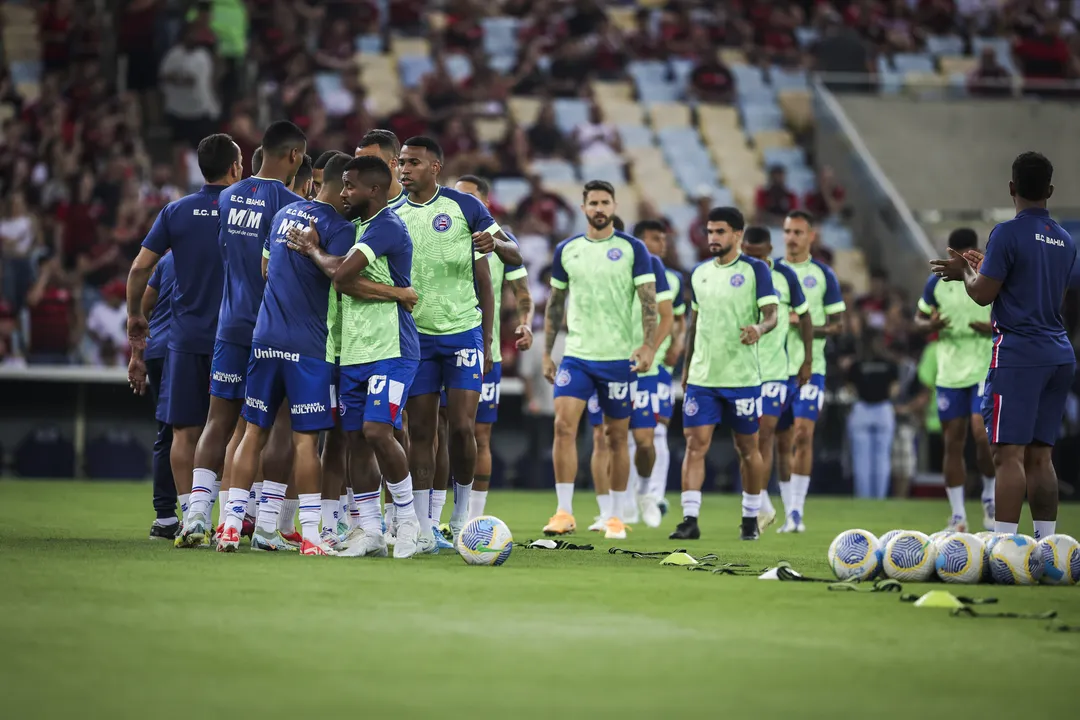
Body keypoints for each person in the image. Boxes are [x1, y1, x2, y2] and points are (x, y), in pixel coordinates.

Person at [215, 149, 355, 555]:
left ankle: (229, 525)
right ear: (340, 184)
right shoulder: (339, 226)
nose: (351, 195)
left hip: (264, 337)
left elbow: (264, 268)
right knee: (305, 442)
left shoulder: (282, 216)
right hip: (308, 345)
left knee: (253, 433)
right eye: (348, 186)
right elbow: (342, 278)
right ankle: (311, 533)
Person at [931, 151, 1076, 540]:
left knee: (1007, 455)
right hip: (1058, 353)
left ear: (1012, 188)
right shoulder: (1064, 239)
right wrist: (988, 266)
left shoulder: (1007, 233)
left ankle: (1005, 546)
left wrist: (966, 271)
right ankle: (1047, 546)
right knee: (1041, 456)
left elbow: (981, 294)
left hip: (1018, 354)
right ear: (1049, 190)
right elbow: (1048, 292)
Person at [286, 155, 423, 559]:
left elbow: (343, 274)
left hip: (392, 349)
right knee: (355, 439)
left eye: (350, 186)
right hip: (355, 350)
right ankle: (370, 531)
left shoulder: (386, 226)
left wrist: (313, 249)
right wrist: (396, 292)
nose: (343, 193)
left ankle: (409, 520)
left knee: (379, 431)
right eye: (343, 185)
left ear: (374, 190)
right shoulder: (358, 227)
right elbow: (346, 286)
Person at [179, 120, 306, 548]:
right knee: (275, 426)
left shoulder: (229, 196)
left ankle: (197, 518)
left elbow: (227, 254)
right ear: (293, 157)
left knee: (218, 421)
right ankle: (263, 523)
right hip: (272, 330)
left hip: (228, 324)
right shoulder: (289, 205)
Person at [394, 136, 523, 549]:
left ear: (435, 166)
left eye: (412, 162)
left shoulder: (465, 207)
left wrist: (496, 243)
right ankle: (422, 525)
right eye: (400, 162)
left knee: (463, 427)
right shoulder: (392, 213)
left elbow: (514, 255)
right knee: (421, 431)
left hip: (462, 332)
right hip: (416, 337)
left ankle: (462, 513)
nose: (404, 169)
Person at [126, 133, 243, 543]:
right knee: (236, 432)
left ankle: (191, 515)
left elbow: (140, 269)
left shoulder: (176, 211)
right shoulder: (244, 209)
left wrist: (135, 316)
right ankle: (230, 518)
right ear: (235, 167)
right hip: (235, 336)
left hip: (186, 335)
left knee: (183, 431)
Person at [541, 180, 658, 539]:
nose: (599, 208)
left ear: (614, 205)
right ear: (583, 208)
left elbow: (649, 303)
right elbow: (555, 304)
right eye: (593, 203)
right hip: (577, 356)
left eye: (605, 202)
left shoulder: (633, 249)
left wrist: (648, 346)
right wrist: (548, 352)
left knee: (615, 436)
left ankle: (615, 515)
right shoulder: (568, 250)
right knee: (563, 427)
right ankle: (564, 512)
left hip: (617, 359)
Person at [670, 207, 778, 541]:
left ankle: (750, 516)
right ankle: (689, 519)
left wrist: (759, 328)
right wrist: (687, 368)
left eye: (720, 232)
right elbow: (694, 324)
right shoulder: (699, 272)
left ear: (737, 235)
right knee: (694, 445)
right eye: (710, 232)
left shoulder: (756, 270)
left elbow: (772, 314)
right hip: (703, 378)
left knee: (748, 449)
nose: (713, 238)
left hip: (741, 378)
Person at [454, 175, 534, 520]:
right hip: (440, 346)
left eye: (469, 198)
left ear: (485, 204)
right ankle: (430, 517)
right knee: (437, 433)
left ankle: (474, 518)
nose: (461, 205)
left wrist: (526, 322)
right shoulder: (440, 233)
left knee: (479, 435)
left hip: (488, 355)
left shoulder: (503, 243)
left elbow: (523, 294)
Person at [915, 228, 996, 531]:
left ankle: (989, 497)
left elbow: (1011, 317)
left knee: (981, 434)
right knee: (952, 441)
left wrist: (992, 328)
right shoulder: (936, 283)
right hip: (949, 372)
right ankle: (958, 515)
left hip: (982, 369)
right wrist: (930, 324)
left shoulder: (988, 278)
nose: (960, 259)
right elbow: (918, 320)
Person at [774, 210, 845, 534]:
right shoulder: (769, 272)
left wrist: (804, 325)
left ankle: (797, 511)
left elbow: (838, 325)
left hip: (810, 367)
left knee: (803, 433)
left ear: (811, 236)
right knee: (781, 440)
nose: (791, 238)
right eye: (788, 231)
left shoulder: (823, 275)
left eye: (798, 232)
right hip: (773, 368)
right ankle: (786, 506)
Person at [740, 225, 812, 531]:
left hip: (774, 370)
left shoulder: (785, 276)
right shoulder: (734, 275)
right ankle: (765, 503)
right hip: (739, 370)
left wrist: (807, 359)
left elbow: (805, 315)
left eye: (759, 255)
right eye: (748, 254)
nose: (754, 261)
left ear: (769, 250)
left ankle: (756, 509)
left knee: (764, 435)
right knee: (744, 440)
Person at [623, 221, 673, 526]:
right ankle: (620, 504)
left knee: (654, 434)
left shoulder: (668, 276)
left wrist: (655, 348)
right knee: (613, 437)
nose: (662, 243)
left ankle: (653, 493)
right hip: (613, 364)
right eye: (656, 238)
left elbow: (674, 320)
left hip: (655, 368)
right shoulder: (619, 268)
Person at [140, 251, 178, 538]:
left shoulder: (166, 260)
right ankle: (193, 515)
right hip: (186, 349)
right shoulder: (221, 252)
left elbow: (144, 305)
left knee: (167, 430)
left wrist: (135, 355)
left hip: (156, 349)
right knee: (201, 431)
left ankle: (165, 516)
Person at [845, 330, 899, 499]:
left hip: (863, 408)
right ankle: (878, 498)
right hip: (882, 408)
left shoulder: (857, 364)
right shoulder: (890, 364)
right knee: (881, 458)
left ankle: (865, 498)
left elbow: (849, 388)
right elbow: (895, 389)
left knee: (863, 459)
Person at [355, 129, 406, 206]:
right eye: (358, 163)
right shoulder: (351, 205)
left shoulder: (417, 201)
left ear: (393, 163)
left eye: (371, 163)